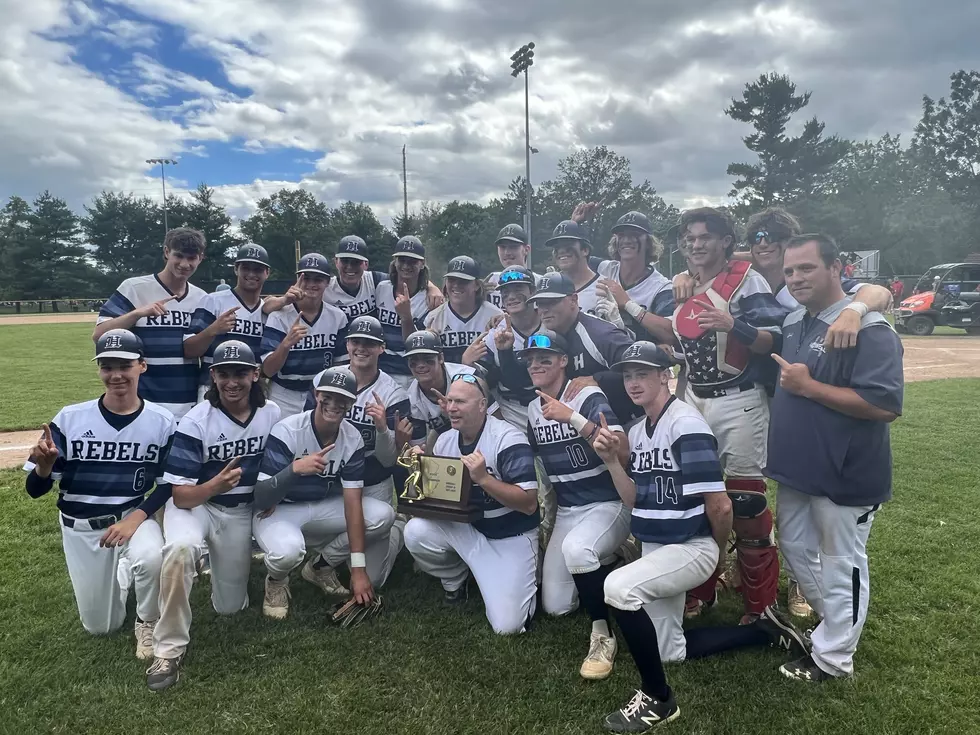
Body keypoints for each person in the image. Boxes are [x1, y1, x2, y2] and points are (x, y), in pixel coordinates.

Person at [594, 342, 808, 732]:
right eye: (628, 375)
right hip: (660, 546)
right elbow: (635, 499)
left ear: (666, 376)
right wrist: (611, 461)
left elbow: (720, 505)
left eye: (643, 373)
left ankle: (658, 699)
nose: (634, 382)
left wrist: (716, 555)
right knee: (669, 651)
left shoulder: (685, 424)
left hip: (691, 546)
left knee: (619, 590)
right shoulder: (639, 429)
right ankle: (761, 631)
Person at [767, 234, 904, 681]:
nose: (796, 278)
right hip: (798, 469)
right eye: (790, 271)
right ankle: (838, 625)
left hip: (847, 471)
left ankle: (834, 658)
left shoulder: (869, 327)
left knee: (842, 561)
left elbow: (884, 405)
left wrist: (810, 388)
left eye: (806, 268)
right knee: (795, 547)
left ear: (835, 268)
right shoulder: (793, 321)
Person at [24, 329, 175, 658]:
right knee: (101, 627)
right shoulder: (70, 418)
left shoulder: (162, 422)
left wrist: (136, 519)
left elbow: (167, 484)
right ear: (99, 370)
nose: (116, 374)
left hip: (130, 517)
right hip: (81, 528)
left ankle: (147, 621)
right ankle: (122, 571)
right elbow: (35, 491)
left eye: (124, 365)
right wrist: (44, 469)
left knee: (151, 557)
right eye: (107, 366)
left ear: (142, 366)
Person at [146, 340, 281, 691]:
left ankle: (213, 567)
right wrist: (214, 486)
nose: (232, 381)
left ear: (255, 374)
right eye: (224, 373)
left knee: (230, 608)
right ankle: (168, 648)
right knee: (180, 549)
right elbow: (181, 495)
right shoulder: (196, 420)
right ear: (213, 376)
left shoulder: (272, 414)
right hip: (196, 505)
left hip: (237, 514)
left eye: (240, 372)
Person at [524, 329, 631, 680]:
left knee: (578, 549)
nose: (536, 365)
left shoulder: (585, 394)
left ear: (563, 361)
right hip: (570, 510)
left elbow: (624, 452)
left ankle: (602, 632)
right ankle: (613, 560)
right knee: (556, 607)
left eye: (546, 358)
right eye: (531, 360)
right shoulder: (531, 409)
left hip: (608, 503)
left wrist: (572, 417)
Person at [252, 367, 395, 619]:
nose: (334, 403)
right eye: (327, 395)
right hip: (279, 508)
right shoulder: (288, 430)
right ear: (316, 395)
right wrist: (294, 469)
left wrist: (358, 570)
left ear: (351, 403)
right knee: (288, 552)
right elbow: (261, 497)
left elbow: (353, 503)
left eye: (342, 398)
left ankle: (321, 565)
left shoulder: (352, 438)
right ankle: (276, 580)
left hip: (320, 505)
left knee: (381, 514)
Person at [403, 373, 540, 634]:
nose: (452, 408)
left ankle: (521, 577)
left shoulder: (507, 438)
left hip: (511, 536)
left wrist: (484, 479)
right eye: (450, 401)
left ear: (482, 405)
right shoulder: (445, 440)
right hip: (470, 531)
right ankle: (456, 578)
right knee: (415, 532)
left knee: (508, 626)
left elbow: (529, 504)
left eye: (461, 402)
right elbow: (437, 498)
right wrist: (423, 469)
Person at [303, 316, 413, 591]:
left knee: (372, 579)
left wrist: (381, 429)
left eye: (370, 343)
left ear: (382, 348)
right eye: (355, 341)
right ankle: (342, 548)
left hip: (373, 483)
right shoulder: (324, 380)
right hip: (330, 480)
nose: (361, 348)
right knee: (309, 527)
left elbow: (389, 461)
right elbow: (307, 432)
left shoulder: (394, 393)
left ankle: (393, 531)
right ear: (347, 344)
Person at [94, 228, 208, 419]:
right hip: (143, 401)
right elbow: (99, 336)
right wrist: (138, 313)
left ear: (200, 258)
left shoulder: (202, 298)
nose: (184, 264)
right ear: (166, 252)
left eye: (192, 258)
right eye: (178, 256)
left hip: (186, 401)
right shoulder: (135, 288)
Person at [500, 273, 637, 424]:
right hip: (579, 429)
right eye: (539, 303)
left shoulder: (599, 333)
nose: (544, 310)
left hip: (626, 424)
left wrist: (598, 379)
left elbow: (640, 370)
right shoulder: (543, 336)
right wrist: (505, 352)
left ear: (573, 300)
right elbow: (522, 382)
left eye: (551, 302)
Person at [260, 253, 349, 417]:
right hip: (284, 393)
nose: (311, 284)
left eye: (318, 279)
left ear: (327, 282)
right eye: (306, 278)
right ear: (298, 280)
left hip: (322, 393)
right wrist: (286, 344)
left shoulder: (338, 317)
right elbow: (267, 370)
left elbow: (342, 364)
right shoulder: (279, 316)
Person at [184, 244, 272, 402]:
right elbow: (190, 350)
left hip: (251, 390)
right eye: (246, 267)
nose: (251, 274)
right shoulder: (213, 301)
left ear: (267, 273)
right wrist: (213, 330)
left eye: (257, 269)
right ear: (236, 269)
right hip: (212, 388)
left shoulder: (268, 311)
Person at [465, 265, 541, 429]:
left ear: (533, 291)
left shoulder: (549, 323)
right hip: (511, 412)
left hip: (550, 405)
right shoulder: (494, 335)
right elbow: (478, 381)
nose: (511, 296)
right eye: (505, 291)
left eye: (518, 288)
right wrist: (466, 365)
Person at [403, 329, 495, 448]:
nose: (420, 365)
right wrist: (445, 419)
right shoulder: (411, 398)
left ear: (440, 358)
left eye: (427, 358)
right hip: (447, 446)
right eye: (414, 360)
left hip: (485, 438)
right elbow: (422, 449)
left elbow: (495, 416)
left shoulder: (469, 376)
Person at [597, 211, 676, 343]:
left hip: (640, 360)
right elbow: (575, 257)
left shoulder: (661, 287)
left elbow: (670, 334)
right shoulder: (604, 268)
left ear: (648, 242)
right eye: (621, 235)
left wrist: (628, 304)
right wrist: (574, 222)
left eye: (635, 235)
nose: (627, 240)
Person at [376, 236, 434, 389]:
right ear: (395, 262)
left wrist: (406, 318)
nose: (406, 265)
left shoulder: (428, 299)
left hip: (411, 374)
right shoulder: (381, 287)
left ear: (422, 264)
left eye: (412, 261)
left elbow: (416, 346)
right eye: (402, 260)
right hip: (382, 371)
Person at [424, 255, 503, 364]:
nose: (456, 285)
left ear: (476, 285)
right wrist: (427, 343)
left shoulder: (495, 315)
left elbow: (501, 363)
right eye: (452, 280)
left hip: (486, 378)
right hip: (448, 379)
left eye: (463, 281)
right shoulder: (433, 318)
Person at [545, 220, 621, 324]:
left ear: (585, 250)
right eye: (557, 247)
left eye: (568, 245)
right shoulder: (549, 288)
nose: (561, 251)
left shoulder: (605, 288)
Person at [484, 224, 540, 309]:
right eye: (502, 247)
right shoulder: (491, 280)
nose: (507, 252)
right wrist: (476, 297)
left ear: (526, 249)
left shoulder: (541, 282)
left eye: (513, 247)